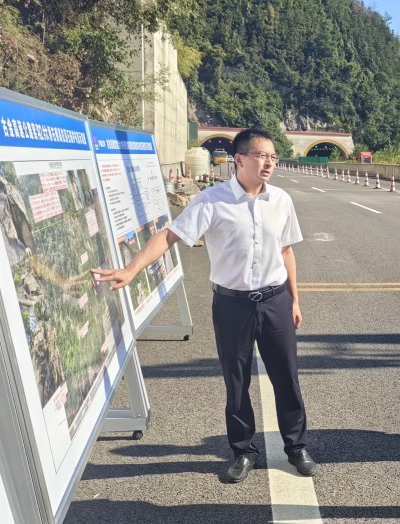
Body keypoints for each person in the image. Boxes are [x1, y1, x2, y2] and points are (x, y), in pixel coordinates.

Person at [93, 128, 315, 483]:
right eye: (261, 155)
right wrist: (132, 269)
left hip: (275, 302)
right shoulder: (211, 201)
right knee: (236, 382)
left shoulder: (281, 200)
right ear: (239, 159)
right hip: (232, 306)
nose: (269, 163)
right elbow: (170, 235)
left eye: (273, 157)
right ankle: (243, 451)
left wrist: (295, 300)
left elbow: (286, 251)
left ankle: (296, 447)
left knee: (286, 377)